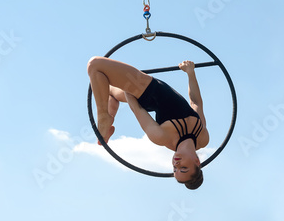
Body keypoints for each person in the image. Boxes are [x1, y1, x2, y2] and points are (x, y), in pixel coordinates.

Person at [87, 56, 209, 190]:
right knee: (106, 89)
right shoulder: (202, 138)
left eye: (175, 169)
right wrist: (191, 73)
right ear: (197, 162)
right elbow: (196, 103)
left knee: (95, 65)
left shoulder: (161, 137)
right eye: (183, 168)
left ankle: (104, 118)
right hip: (146, 94)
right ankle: (110, 115)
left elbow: (136, 108)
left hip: (146, 87)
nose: (176, 164)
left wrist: (127, 83)